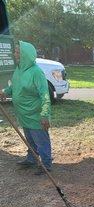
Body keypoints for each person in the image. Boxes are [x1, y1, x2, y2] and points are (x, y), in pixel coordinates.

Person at [0, 40, 52, 175]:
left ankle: (46, 164)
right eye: (15, 51)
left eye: (17, 52)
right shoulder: (19, 69)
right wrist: (5, 91)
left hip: (35, 115)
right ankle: (32, 159)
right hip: (23, 114)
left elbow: (45, 95)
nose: (14, 54)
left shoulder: (36, 72)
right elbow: (14, 87)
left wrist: (44, 114)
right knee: (30, 139)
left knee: (41, 141)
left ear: (25, 55)